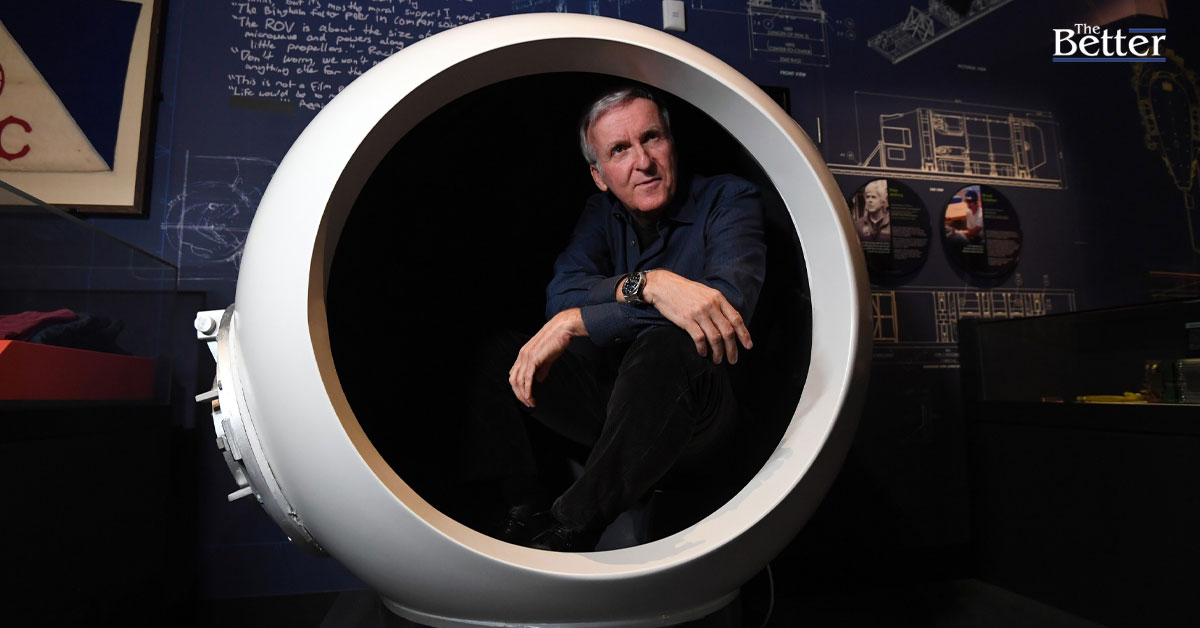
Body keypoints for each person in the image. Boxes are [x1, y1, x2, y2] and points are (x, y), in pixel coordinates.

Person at [466, 86, 767, 552]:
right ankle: (521, 513)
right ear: (600, 175)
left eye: (652, 138)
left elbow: (725, 312)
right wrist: (649, 284)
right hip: (616, 407)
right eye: (620, 150)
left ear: (671, 144)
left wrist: (578, 321)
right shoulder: (601, 213)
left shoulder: (728, 198)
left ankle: (569, 529)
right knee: (502, 353)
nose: (643, 161)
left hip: (702, 414)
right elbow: (561, 295)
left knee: (667, 346)